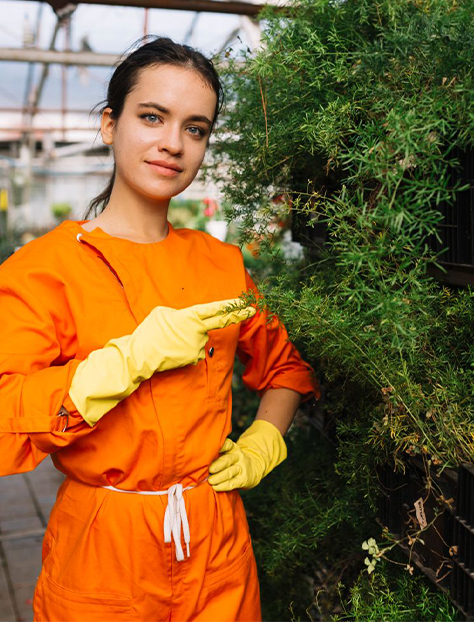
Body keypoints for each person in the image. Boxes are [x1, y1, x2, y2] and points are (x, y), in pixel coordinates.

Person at [0, 37, 318, 621]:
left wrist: (264, 439)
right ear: (108, 124)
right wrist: (122, 363)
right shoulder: (46, 269)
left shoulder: (221, 264)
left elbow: (287, 368)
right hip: (103, 546)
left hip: (215, 537)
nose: (173, 143)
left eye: (195, 129)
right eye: (152, 117)